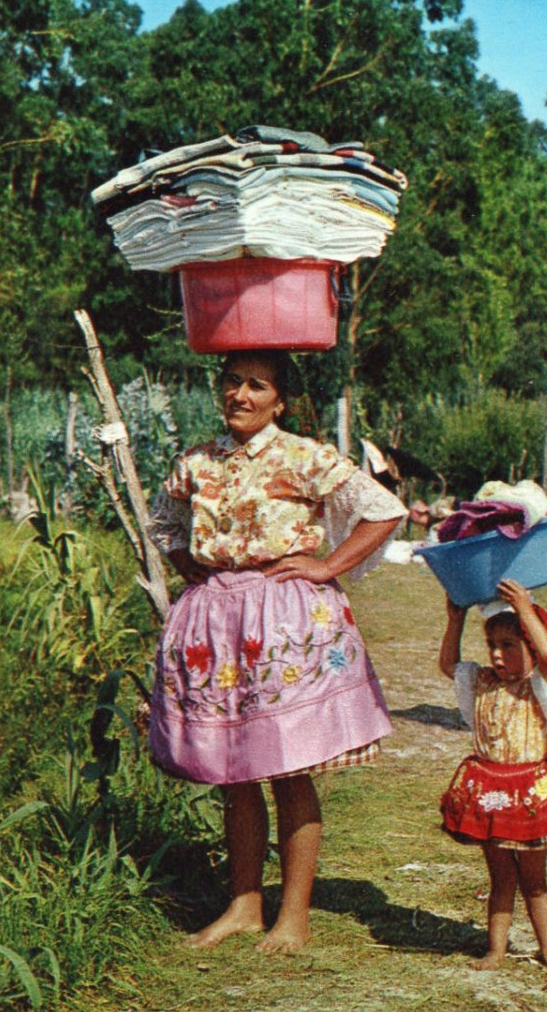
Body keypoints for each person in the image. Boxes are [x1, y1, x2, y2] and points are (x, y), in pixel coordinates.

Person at [147, 350, 404, 953]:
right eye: (232, 381)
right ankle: (243, 906)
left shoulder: (303, 455)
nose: (241, 395)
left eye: (257, 385)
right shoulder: (196, 462)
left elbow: (383, 510)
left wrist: (326, 567)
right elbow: (164, 523)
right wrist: (200, 574)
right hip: (217, 621)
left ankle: (294, 916)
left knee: (287, 768)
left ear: (279, 401)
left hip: (282, 617)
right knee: (234, 770)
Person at [438, 580, 547, 970]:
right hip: (491, 792)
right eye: (493, 646)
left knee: (534, 880)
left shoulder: (538, 684)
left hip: (530, 796)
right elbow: (448, 666)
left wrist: (525, 608)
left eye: (509, 646)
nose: (498, 656)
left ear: (528, 649)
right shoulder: (482, 681)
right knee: (500, 877)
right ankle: (496, 950)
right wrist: (455, 620)